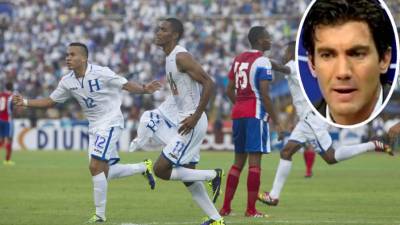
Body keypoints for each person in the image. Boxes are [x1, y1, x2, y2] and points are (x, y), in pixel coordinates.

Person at [13, 42, 161, 223]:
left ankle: (99, 215)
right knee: (107, 172)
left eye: (72, 54)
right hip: (94, 127)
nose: (68, 58)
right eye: (67, 54)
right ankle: (142, 167)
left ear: (84, 58)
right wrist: (26, 102)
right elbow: (51, 101)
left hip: (111, 121)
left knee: (94, 167)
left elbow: (125, 84)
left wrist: (145, 89)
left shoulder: (101, 72)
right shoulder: (67, 81)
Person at [257, 41, 393, 207]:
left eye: (286, 52)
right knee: (286, 152)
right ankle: (274, 196)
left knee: (331, 157)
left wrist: (261, 60)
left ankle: (372, 145)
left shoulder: (294, 65)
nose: (284, 55)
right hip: (307, 118)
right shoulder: (303, 68)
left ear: (291, 53)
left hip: (312, 119)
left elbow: (280, 67)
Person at [152, 18, 225, 225]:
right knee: (189, 177)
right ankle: (216, 219)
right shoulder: (168, 58)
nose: (158, 32)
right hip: (185, 121)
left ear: (174, 35)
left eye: (163, 30)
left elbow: (209, 83)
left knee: (161, 169)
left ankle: (213, 175)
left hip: (191, 122)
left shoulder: (181, 56)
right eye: (158, 29)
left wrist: (195, 116)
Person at [219, 26, 284, 218]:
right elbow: (265, 93)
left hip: (238, 113)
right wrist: (277, 123)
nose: (270, 41)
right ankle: (251, 210)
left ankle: (225, 208)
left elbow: (228, 90)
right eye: (268, 38)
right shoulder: (262, 61)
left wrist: (240, 104)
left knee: (237, 162)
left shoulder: (238, 59)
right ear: (260, 40)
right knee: (255, 163)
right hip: (255, 114)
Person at [302, 0, 394, 125]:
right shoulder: (307, 121)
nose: (343, 72)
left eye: (357, 54)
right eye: (327, 55)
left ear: (384, 59)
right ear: (312, 64)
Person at [0, 82, 14, 165]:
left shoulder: (1, 95)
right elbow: (11, 109)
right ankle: (7, 160)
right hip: (7, 120)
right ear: (11, 88)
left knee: (1, 140)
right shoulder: (11, 96)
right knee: (9, 140)